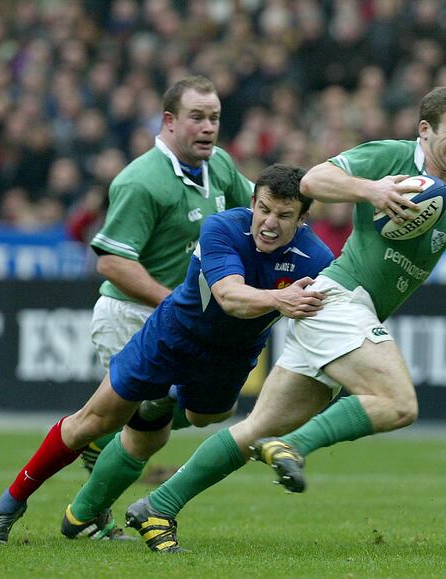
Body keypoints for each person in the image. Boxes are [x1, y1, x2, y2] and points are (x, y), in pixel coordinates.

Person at [121, 86, 446, 553]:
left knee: (257, 430)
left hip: (331, 308)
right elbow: (313, 181)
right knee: (398, 404)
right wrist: (371, 190)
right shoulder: (389, 157)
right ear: (425, 131)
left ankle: (157, 506)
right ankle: (295, 447)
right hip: (340, 299)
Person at [0, 164, 333, 545]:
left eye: (283, 215)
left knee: (209, 415)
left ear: (303, 218)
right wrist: (283, 298)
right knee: (92, 422)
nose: (269, 223)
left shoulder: (317, 258)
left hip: (233, 354)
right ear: (252, 203)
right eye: (263, 209)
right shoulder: (222, 228)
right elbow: (230, 297)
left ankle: (158, 405)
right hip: (172, 336)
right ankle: (5, 507)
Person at [80, 75, 253, 473]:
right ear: (170, 120)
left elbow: (256, 212)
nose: (208, 127)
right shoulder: (140, 181)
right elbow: (110, 261)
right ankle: (91, 513)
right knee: (147, 422)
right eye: (197, 117)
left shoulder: (221, 165)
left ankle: (102, 438)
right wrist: (173, 301)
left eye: (215, 117)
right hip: (131, 315)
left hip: (182, 316)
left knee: (210, 409)